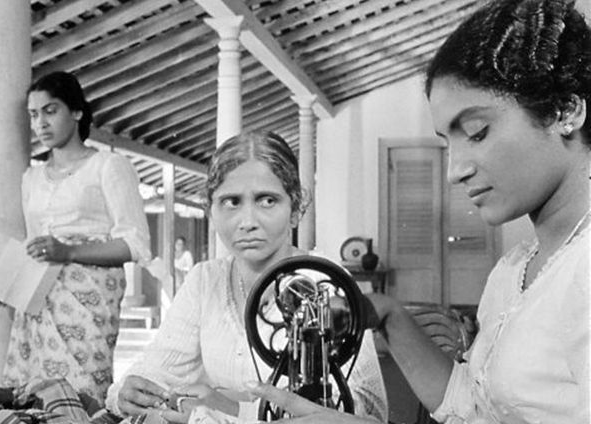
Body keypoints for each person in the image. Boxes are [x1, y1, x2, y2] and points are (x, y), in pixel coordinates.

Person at [251, 0, 591, 423]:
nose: (454, 171)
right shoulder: (513, 272)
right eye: (448, 142)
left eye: (476, 132)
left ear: (564, 111)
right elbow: (474, 406)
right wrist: (387, 314)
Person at [105, 131, 388, 423]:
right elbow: (157, 369)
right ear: (211, 211)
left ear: (294, 209)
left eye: (267, 201)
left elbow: (369, 408)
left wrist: (234, 408)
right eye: (231, 202)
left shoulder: (325, 281)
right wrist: (130, 391)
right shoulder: (205, 281)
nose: (248, 222)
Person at [2, 71, 152, 404]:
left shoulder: (108, 166)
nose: (40, 123)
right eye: (33, 114)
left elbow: (135, 244)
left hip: (87, 301)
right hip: (38, 299)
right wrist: (9, 285)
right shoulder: (32, 178)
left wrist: (68, 252)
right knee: (33, 399)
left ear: (77, 112)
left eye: (50, 110)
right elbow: (34, 243)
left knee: (82, 394)